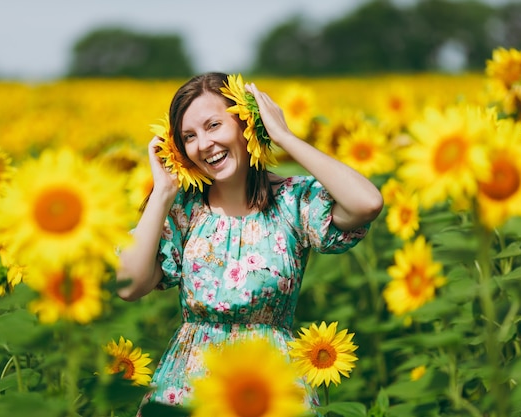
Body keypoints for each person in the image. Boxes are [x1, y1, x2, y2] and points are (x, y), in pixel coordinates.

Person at [116, 72, 384, 413]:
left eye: (214, 125)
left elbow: (367, 203)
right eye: (189, 137)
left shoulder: (292, 200)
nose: (204, 144)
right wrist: (163, 191)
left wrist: (284, 137)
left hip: (272, 384)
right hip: (192, 385)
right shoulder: (184, 208)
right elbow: (129, 285)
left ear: (246, 123)